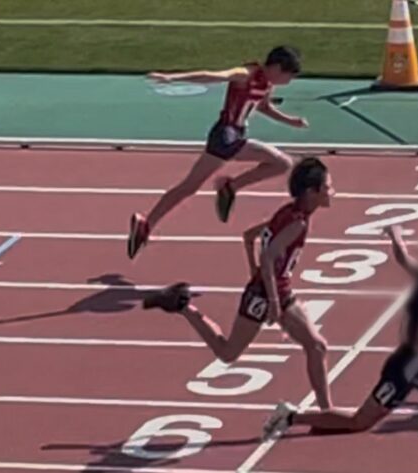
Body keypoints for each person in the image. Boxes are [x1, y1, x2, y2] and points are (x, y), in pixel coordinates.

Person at [262, 225, 418, 473]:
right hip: (410, 367)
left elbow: (404, 259)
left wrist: (395, 235)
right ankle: (291, 416)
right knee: (361, 421)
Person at [143, 157, 334, 409]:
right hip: (265, 295)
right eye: (327, 187)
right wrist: (272, 302)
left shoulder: (288, 212)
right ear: (311, 192)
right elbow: (267, 257)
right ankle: (183, 305)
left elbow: (249, 236)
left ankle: (326, 411)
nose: (332, 192)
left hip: (276, 290)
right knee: (227, 353)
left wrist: (256, 272)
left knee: (317, 346)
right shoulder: (297, 223)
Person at [128, 46, 308, 259]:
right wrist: (172, 78)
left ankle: (147, 223)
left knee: (189, 186)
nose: (289, 81)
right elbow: (212, 76)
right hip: (225, 136)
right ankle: (228, 187)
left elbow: (263, 107)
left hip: (234, 137)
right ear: (277, 67)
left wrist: (290, 121)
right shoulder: (245, 74)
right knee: (282, 163)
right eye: (289, 76)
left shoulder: (267, 84)